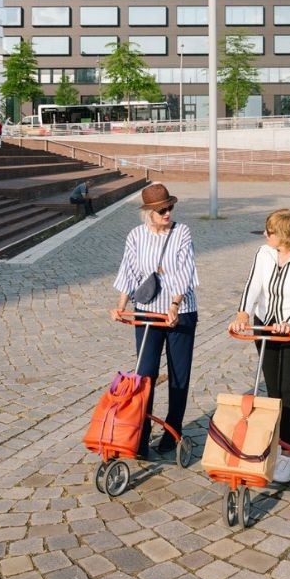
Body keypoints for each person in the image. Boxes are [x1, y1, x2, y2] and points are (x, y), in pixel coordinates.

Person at [229, 209, 290, 484]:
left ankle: (287, 457)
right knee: (271, 391)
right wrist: (243, 312)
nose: (265, 234)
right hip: (264, 327)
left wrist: (287, 322)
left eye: (270, 231)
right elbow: (253, 283)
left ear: (284, 234)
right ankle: (269, 445)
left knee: (286, 392)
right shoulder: (264, 253)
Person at [111, 183, 199, 458]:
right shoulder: (136, 236)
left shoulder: (181, 232)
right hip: (147, 311)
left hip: (179, 313)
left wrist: (175, 304)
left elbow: (185, 272)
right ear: (148, 212)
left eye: (170, 207)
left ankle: (173, 430)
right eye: (162, 209)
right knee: (145, 374)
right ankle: (141, 432)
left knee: (178, 374)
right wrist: (121, 306)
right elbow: (128, 270)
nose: (167, 213)